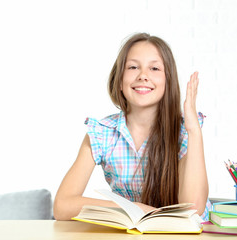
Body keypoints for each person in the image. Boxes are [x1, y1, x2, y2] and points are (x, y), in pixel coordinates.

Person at [53, 32, 211, 221]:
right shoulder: (102, 133)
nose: (143, 75)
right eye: (133, 67)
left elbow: (193, 209)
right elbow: (62, 206)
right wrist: (132, 208)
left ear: (168, 81)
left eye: (154, 68)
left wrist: (194, 130)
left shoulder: (185, 130)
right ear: (119, 80)